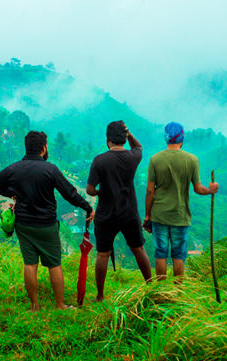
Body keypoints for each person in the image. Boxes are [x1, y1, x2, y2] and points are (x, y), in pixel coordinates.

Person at [0, 131, 95, 311]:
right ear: (43, 148)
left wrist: (12, 194)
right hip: (46, 225)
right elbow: (69, 193)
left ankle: (34, 306)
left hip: (24, 224)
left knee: (30, 263)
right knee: (54, 264)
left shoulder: (14, 168)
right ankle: (60, 305)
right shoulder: (50, 169)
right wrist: (87, 207)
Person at [86, 121, 152, 301]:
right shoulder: (132, 157)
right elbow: (138, 147)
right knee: (139, 249)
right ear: (124, 138)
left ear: (108, 140)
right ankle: (151, 287)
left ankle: (100, 295)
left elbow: (90, 190)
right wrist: (129, 134)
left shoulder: (99, 160)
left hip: (106, 213)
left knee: (102, 254)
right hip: (129, 212)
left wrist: (102, 191)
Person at [144, 122, 219, 282]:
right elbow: (198, 189)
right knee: (178, 256)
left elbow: (150, 191)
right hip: (180, 215)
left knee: (161, 254)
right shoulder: (192, 160)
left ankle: (161, 290)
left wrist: (147, 215)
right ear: (182, 138)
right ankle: (178, 291)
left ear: (166, 138)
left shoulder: (155, 160)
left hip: (160, 215)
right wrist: (211, 190)